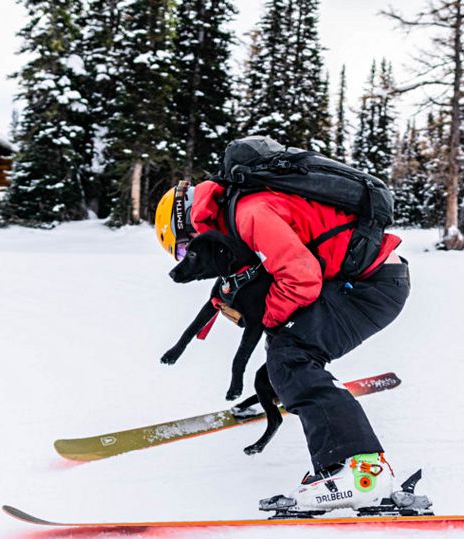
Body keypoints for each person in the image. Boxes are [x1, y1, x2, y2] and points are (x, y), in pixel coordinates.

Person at [155, 179, 411, 514]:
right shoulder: (241, 214)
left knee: (292, 354)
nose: (188, 257)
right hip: (361, 279)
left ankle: (363, 474)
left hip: (371, 287)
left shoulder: (250, 214)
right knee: (285, 346)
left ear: (190, 222)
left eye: (185, 248)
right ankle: (283, 390)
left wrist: (262, 319)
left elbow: (301, 279)